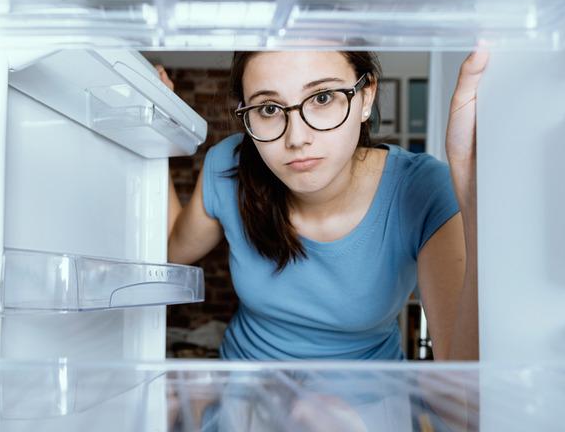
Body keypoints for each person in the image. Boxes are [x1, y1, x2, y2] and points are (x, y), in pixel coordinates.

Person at [160, 49, 485, 363]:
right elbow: (173, 249)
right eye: (269, 109)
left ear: (366, 96)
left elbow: (464, 386)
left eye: (322, 98)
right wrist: (158, 133)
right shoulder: (227, 166)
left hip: (368, 406)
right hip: (245, 398)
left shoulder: (423, 189)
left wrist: (470, 197)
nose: (297, 138)